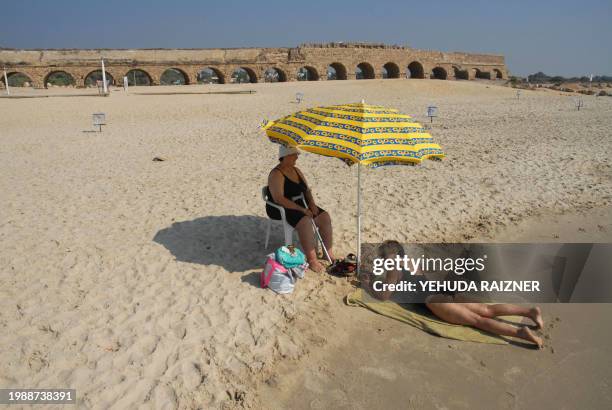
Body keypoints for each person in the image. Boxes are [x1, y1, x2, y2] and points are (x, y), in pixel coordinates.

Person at [361, 240, 545, 348]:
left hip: (432, 302)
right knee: (487, 309)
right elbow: (418, 280)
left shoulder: (393, 268)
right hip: (442, 293)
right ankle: (529, 312)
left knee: (478, 320)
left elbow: (384, 296)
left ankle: (520, 333)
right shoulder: (410, 262)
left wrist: (368, 285)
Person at [266, 146, 334, 272]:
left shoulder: (296, 170)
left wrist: (312, 204)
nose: (297, 156)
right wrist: (303, 210)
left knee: (325, 217)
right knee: (305, 221)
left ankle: (328, 253)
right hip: (280, 208)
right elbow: (279, 199)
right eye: (294, 154)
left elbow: (306, 191)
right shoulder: (276, 174)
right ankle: (312, 259)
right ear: (286, 156)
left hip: (298, 203)